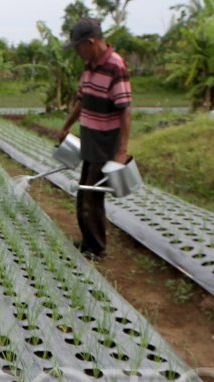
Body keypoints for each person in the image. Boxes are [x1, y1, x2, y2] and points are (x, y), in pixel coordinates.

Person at [56, 17, 133, 260]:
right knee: (83, 193)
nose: (77, 53)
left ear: (90, 42)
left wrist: (122, 150)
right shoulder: (89, 66)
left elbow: (125, 109)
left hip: (105, 144)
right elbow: (83, 100)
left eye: (78, 47)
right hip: (89, 140)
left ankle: (98, 249)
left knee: (91, 197)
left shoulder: (115, 66)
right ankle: (89, 242)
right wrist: (67, 125)